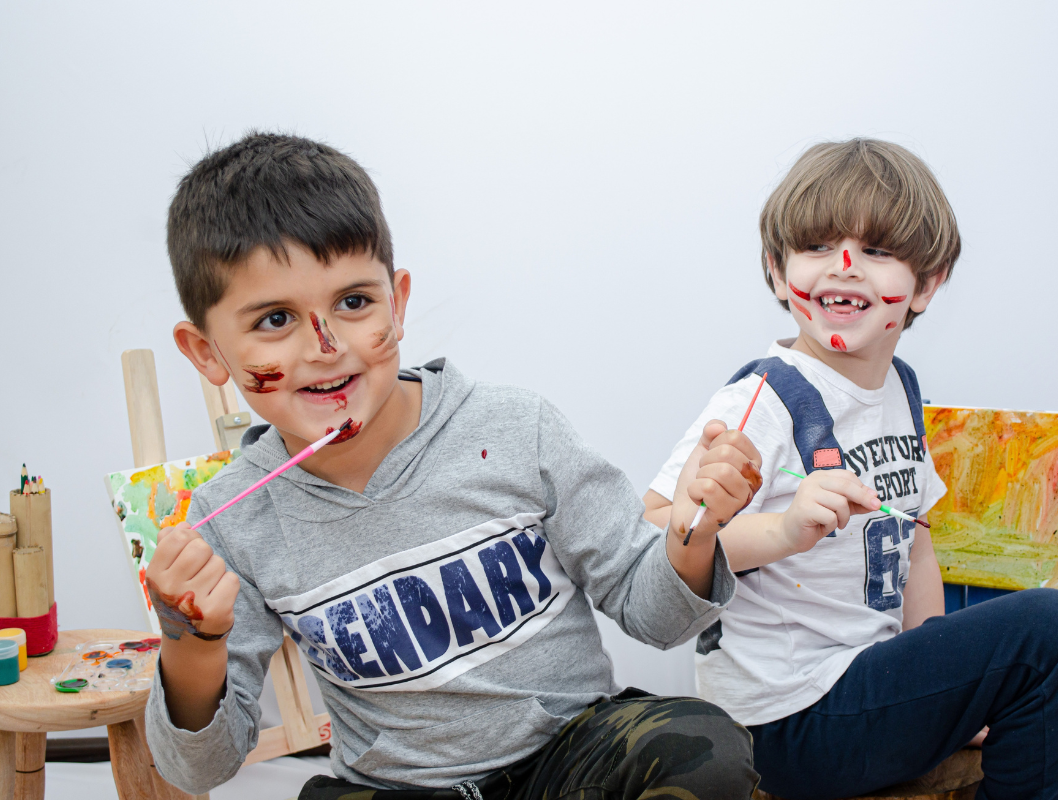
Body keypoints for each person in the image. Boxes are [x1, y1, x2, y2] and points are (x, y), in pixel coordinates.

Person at [144, 132, 763, 799]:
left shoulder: (516, 429)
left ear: (398, 301)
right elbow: (200, 769)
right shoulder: (230, 521)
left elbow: (658, 618)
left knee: (704, 749)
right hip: (398, 789)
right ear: (207, 353)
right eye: (274, 319)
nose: (324, 347)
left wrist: (693, 533)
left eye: (353, 303)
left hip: (567, 762)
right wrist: (193, 642)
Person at [643, 139, 1058, 800]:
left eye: (878, 251)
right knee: (1054, 631)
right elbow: (659, 528)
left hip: (862, 688)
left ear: (928, 284)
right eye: (819, 247)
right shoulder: (762, 400)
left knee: (1043, 670)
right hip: (786, 718)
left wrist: (950, 694)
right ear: (777, 272)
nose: (847, 267)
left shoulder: (899, 391)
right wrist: (783, 532)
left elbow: (914, 545)